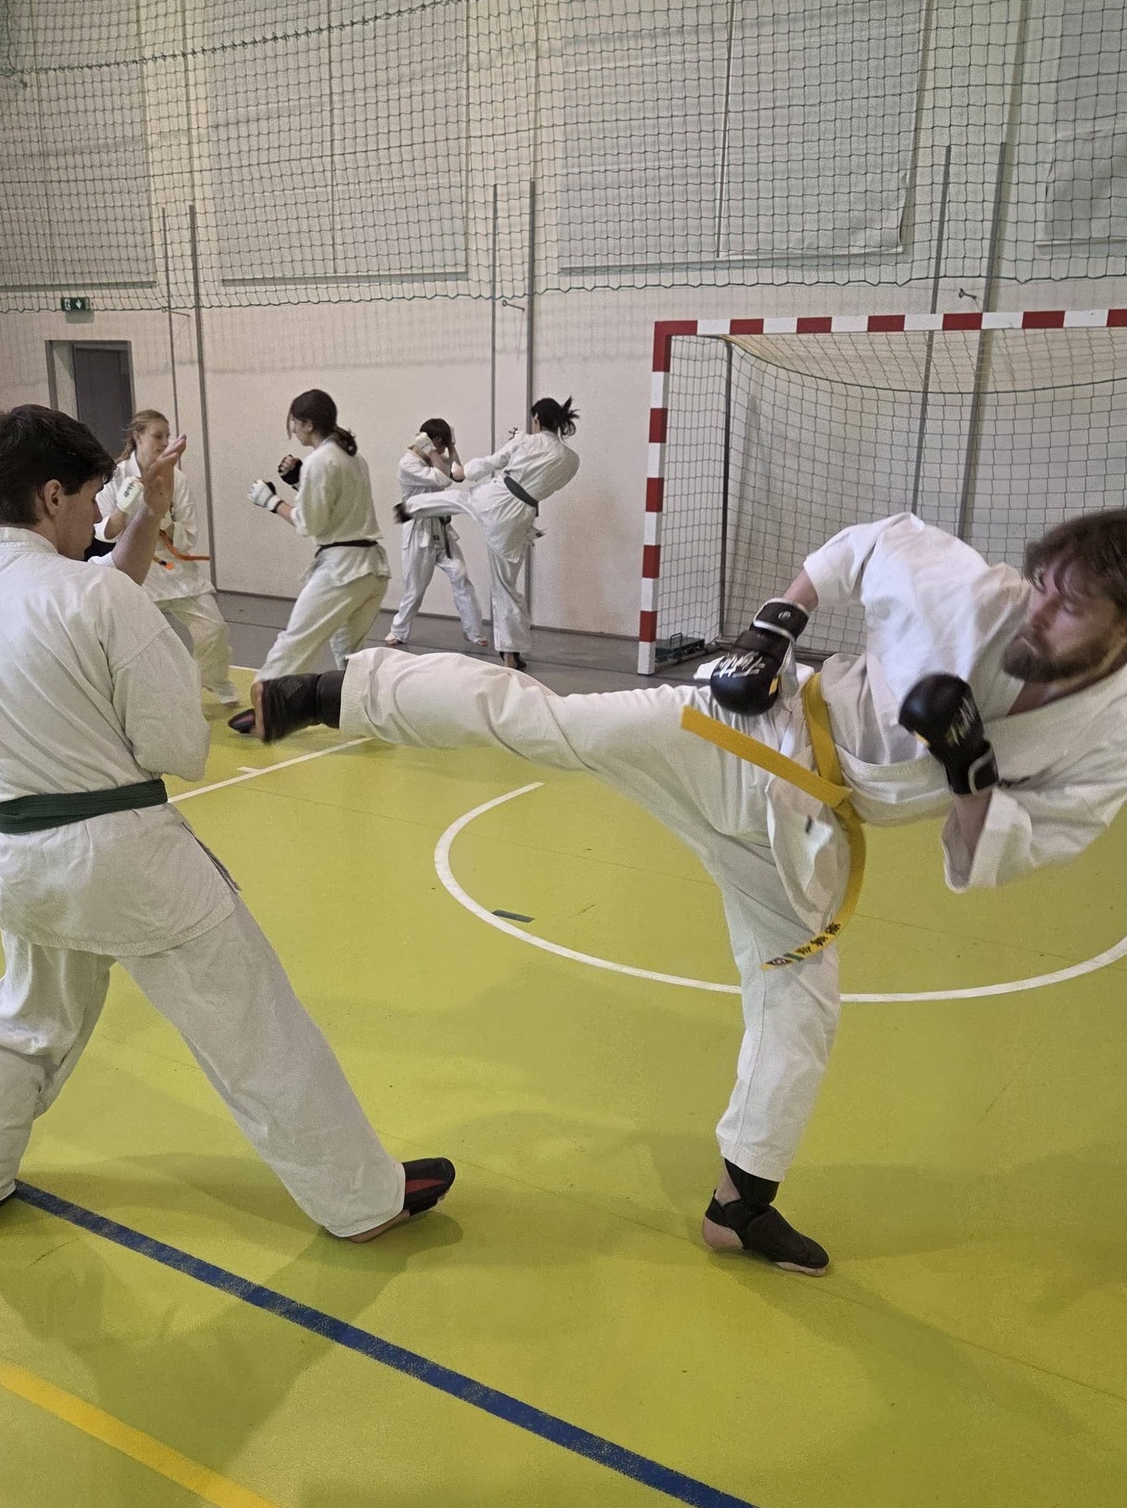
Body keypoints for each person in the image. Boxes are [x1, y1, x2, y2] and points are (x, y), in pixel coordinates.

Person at [239, 508, 1127, 1275]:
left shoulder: (1106, 742)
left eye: (1069, 606)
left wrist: (969, 769)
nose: (1037, 610)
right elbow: (865, 543)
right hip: (742, 730)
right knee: (548, 722)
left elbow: (994, 851)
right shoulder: (974, 595)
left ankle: (739, 1204)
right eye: (1041, 585)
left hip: (803, 831)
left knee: (801, 999)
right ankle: (325, 693)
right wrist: (775, 626)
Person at [0, 405, 454, 1238]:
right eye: (90, 498)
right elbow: (175, 744)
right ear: (51, 496)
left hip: (22, 854)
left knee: (23, 1021)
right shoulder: (90, 594)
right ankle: (361, 1202)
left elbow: (81, 599)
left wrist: (148, 514)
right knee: (254, 1024)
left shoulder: (20, 588)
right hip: (129, 860)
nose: (98, 514)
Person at [232, 390, 389, 733]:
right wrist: (298, 478)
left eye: (295, 423)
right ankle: (363, 709)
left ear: (306, 424)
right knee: (348, 648)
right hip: (372, 568)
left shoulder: (321, 460)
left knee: (295, 640)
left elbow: (309, 524)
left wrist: (271, 501)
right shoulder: (351, 456)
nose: (293, 429)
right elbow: (334, 503)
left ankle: (265, 709)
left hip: (342, 570)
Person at [396, 395, 579, 669]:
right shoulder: (571, 460)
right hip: (521, 515)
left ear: (537, 420)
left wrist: (467, 470)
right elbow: (544, 479)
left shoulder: (525, 441)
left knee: (459, 499)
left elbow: (487, 465)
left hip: (496, 498)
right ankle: (511, 652)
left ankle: (408, 507)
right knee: (506, 585)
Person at [96, 410, 238, 707]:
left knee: (213, 629)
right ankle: (148, 698)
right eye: (157, 436)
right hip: (136, 572)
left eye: (167, 436)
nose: (164, 442)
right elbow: (105, 534)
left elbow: (189, 535)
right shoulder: (115, 477)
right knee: (146, 646)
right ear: (137, 436)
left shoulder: (178, 479)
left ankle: (211, 680)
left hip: (176, 570)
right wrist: (124, 506)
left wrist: (162, 518)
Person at [385, 420, 488, 651]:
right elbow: (443, 479)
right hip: (418, 530)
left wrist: (451, 447)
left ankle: (474, 632)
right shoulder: (408, 463)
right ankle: (398, 630)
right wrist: (432, 451)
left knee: (460, 575)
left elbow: (458, 475)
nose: (442, 451)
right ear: (434, 441)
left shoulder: (437, 457)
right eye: (442, 445)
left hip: (441, 529)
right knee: (415, 589)